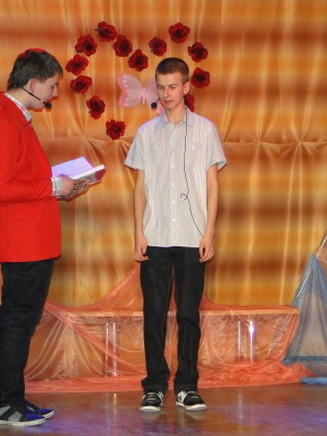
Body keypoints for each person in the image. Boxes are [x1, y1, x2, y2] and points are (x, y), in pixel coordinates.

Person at [0, 48, 88, 426]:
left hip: (29, 240)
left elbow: (20, 177)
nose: (55, 93)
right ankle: (4, 403)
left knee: (19, 320)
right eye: (52, 86)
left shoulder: (13, 116)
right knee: (17, 321)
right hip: (22, 242)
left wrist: (59, 186)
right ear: (33, 83)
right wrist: (54, 186)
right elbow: (4, 188)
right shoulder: (4, 120)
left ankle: (11, 398)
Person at [124, 57, 226, 413]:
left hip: (191, 235)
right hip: (155, 235)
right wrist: (139, 232)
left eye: (172, 87)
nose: (166, 94)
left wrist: (209, 232)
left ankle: (187, 385)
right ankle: (154, 385)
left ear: (186, 87)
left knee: (188, 315)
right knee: (153, 313)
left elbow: (212, 185)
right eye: (161, 87)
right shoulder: (146, 133)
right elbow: (140, 187)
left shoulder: (205, 130)